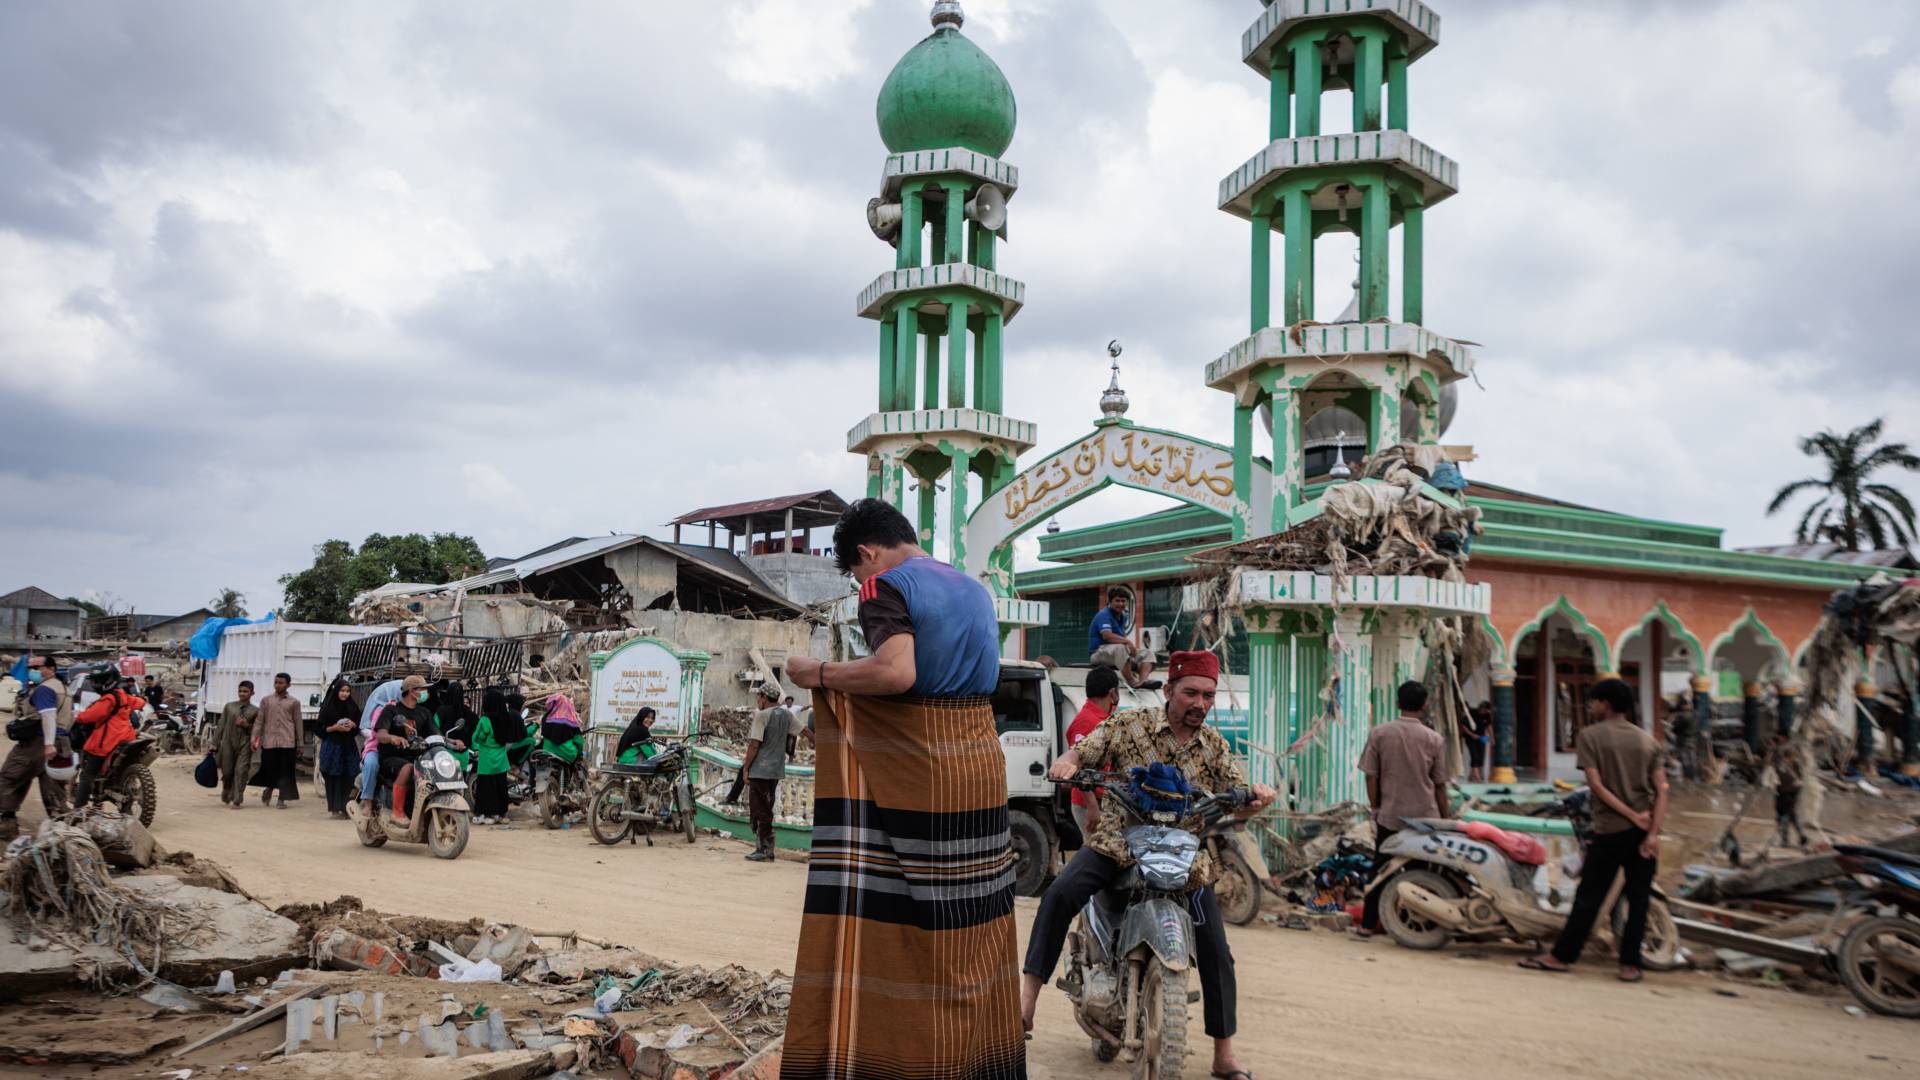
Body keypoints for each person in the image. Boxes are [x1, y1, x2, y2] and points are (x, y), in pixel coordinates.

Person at [783, 498, 1027, 1080]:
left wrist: (815, 673)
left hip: (922, 771)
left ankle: (904, 1058)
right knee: (972, 926)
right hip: (979, 763)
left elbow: (897, 673)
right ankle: (974, 1061)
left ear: (867, 554)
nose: (861, 583)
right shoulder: (974, 589)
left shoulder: (884, 587)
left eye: (857, 571)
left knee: (899, 927)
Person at [1023, 649, 1276, 1080]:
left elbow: (1237, 798)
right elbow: (1085, 750)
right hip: (1118, 845)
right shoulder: (1129, 725)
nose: (1200, 703)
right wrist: (1069, 762)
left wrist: (1255, 798)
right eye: (1192, 693)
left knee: (1217, 953)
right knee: (1061, 894)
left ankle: (1224, 1055)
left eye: (1209, 696)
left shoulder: (1215, 747)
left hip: (1183, 858)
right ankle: (1025, 1003)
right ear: (1170, 690)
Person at [1522, 677, 1669, 983]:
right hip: (1643, 833)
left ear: (1605, 703)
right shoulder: (1648, 741)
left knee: (1589, 896)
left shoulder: (1590, 736)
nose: (1591, 707)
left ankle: (1562, 957)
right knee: (1638, 899)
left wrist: (1629, 815)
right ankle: (1630, 964)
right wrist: (1652, 831)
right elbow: (1663, 789)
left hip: (1609, 830)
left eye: (1593, 702)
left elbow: (1596, 787)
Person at [1356, 681, 1450, 936]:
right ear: (1424, 705)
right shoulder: (1434, 739)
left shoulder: (1380, 733)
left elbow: (1370, 776)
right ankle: (1426, 923)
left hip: (1391, 815)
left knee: (1381, 869)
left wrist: (1375, 807)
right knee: (1426, 870)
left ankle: (1367, 924)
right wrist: (1446, 819)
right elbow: (1440, 785)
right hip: (1425, 818)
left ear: (1398, 703)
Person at [0, 655, 73, 838]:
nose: (32, 671)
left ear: (50, 668)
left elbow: (48, 716)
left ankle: (6, 822)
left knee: (10, 777)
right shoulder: (63, 688)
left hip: (37, 743)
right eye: (30, 667)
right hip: (61, 742)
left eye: (36, 667)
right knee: (53, 786)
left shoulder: (45, 689)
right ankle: (62, 832)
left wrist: (48, 744)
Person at [372, 675, 438, 826]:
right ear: (411, 691)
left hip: (417, 757)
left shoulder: (424, 712)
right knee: (408, 768)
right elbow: (380, 735)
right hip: (392, 757)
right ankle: (397, 812)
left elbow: (436, 734)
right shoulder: (391, 710)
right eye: (422, 689)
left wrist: (452, 741)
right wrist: (393, 738)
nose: (425, 692)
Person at [1064, 665, 1122, 838]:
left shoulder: (1104, 718)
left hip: (1104, 800)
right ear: (1112, 693)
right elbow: (1078, 767)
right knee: (1098, 856)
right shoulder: (1086, 721)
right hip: (1090, 803)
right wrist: (1092, 807)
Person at [740, 685, 792, 863]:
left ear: (763, 697)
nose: (758, 701)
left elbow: (754, 745)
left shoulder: (762, 715)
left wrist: (746, 768)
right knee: (767, 807)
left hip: (760, 770)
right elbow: (803, 732)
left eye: (758, 698)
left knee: (759, 809)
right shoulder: (786, 714)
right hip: (776, 770)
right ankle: (766, 848)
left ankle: (763, 849)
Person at [73, 676, 144, 804]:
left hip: (108, 739)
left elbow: (89, 716)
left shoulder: (108, 699)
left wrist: (77, 717)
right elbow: (140, 702)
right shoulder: (123, 695)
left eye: (96, 681)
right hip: (126, 736)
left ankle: (78, 810)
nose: (94, 684)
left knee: (87, 775)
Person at [473, 687, 531, 824]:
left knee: (486, 787)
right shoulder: (506, 718)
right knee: (500, 786)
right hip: (501, 758)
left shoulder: (485, 720)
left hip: (487, 759)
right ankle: (500, 814)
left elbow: (477, 737)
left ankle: (486, 814)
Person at [249, 673, 302, 808]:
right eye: (276, 682)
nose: (278, 685)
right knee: (270, 769)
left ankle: (281, 799)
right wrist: (254, 739)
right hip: (269, 742)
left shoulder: (294, 702)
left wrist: (300, 743)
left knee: (286, 771)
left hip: (287, 742)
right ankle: (269, 789)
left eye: (281, 683)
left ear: (288, 685)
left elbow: (298, 723)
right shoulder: (266, 701)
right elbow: (259, 721)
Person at [1087, 587, 1157, 688]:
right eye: (1117, 601)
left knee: (1147, 653)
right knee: (1121, 648)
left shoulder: (1123, 616)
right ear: (1110, 602)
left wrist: (1130, 649)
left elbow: (1122, 636)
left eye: (1123, 601)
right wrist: (1128, 643)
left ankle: (1143, 680)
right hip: (1098, 653)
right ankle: (1132, 681)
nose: (1120, 604)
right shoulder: (1104, 615)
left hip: (1116, 652)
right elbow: (1107, 636)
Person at [356, 678, 404, 811]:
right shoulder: (381, 710)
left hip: (399, 749)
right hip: (376, 747)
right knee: (372, 764)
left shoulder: (407, 709)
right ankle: (367, 800)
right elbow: (375, 731)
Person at [315, 678, 360, 818]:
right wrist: (334, 728)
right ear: (336, 691)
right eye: (342, 691)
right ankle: (334, 809)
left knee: (349, 776)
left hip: (348, 747)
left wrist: (353, 725)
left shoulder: (353, 707)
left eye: (347, 691)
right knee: (333, 777)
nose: (345, 694)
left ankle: (345, 808)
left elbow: (359, 726)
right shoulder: (328, 708)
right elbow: (319, 729)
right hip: (332, 747)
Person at [215, 681, 259, 808]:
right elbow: (221, 725)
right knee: (227, 771)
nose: (242, 694)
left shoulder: (255, 711)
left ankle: (237, 799)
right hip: (228, 742)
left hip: (245, 744)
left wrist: (247, 725)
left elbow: (258, 729)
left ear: (252, 693)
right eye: (240, 691)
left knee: (241, 771)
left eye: (245, 691)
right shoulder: (229, 707)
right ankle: (226, 788)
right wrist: (215, 743)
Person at [1768, 733, 1807, 847]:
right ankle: (1800, 836)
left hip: (1790, 791)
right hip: (1783, 790)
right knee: (1788, 814)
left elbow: (1798, 775)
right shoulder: (1778, 755)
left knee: (1785, 814)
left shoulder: (1788, 756)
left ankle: (1786, 840)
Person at [1463, 701, 1492, 783]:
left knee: (1481, 757)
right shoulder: (1472, 713)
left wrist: (1492, 737)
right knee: (1474, 755)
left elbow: (1489, 726)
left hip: (1482, 737)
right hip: (1471, 737)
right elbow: (1463, 726)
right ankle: (1477, 777)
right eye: (1484, 710)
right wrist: (1471, 734)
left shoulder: (1487, 715)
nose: (1484, 712)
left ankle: (1472, 776)